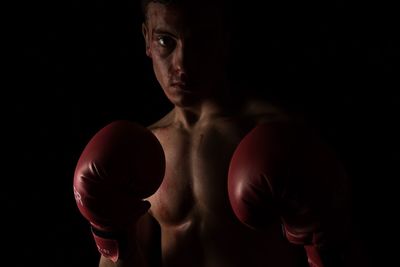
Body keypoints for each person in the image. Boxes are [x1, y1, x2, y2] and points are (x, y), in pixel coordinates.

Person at [73, 0, 365, 266]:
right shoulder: (141, 150)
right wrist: (109, 233)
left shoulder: (277, 133)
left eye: (200, 42)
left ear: (224, 40)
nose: (182, 65)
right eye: (165, 41)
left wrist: (323, 245)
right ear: (147, 39)